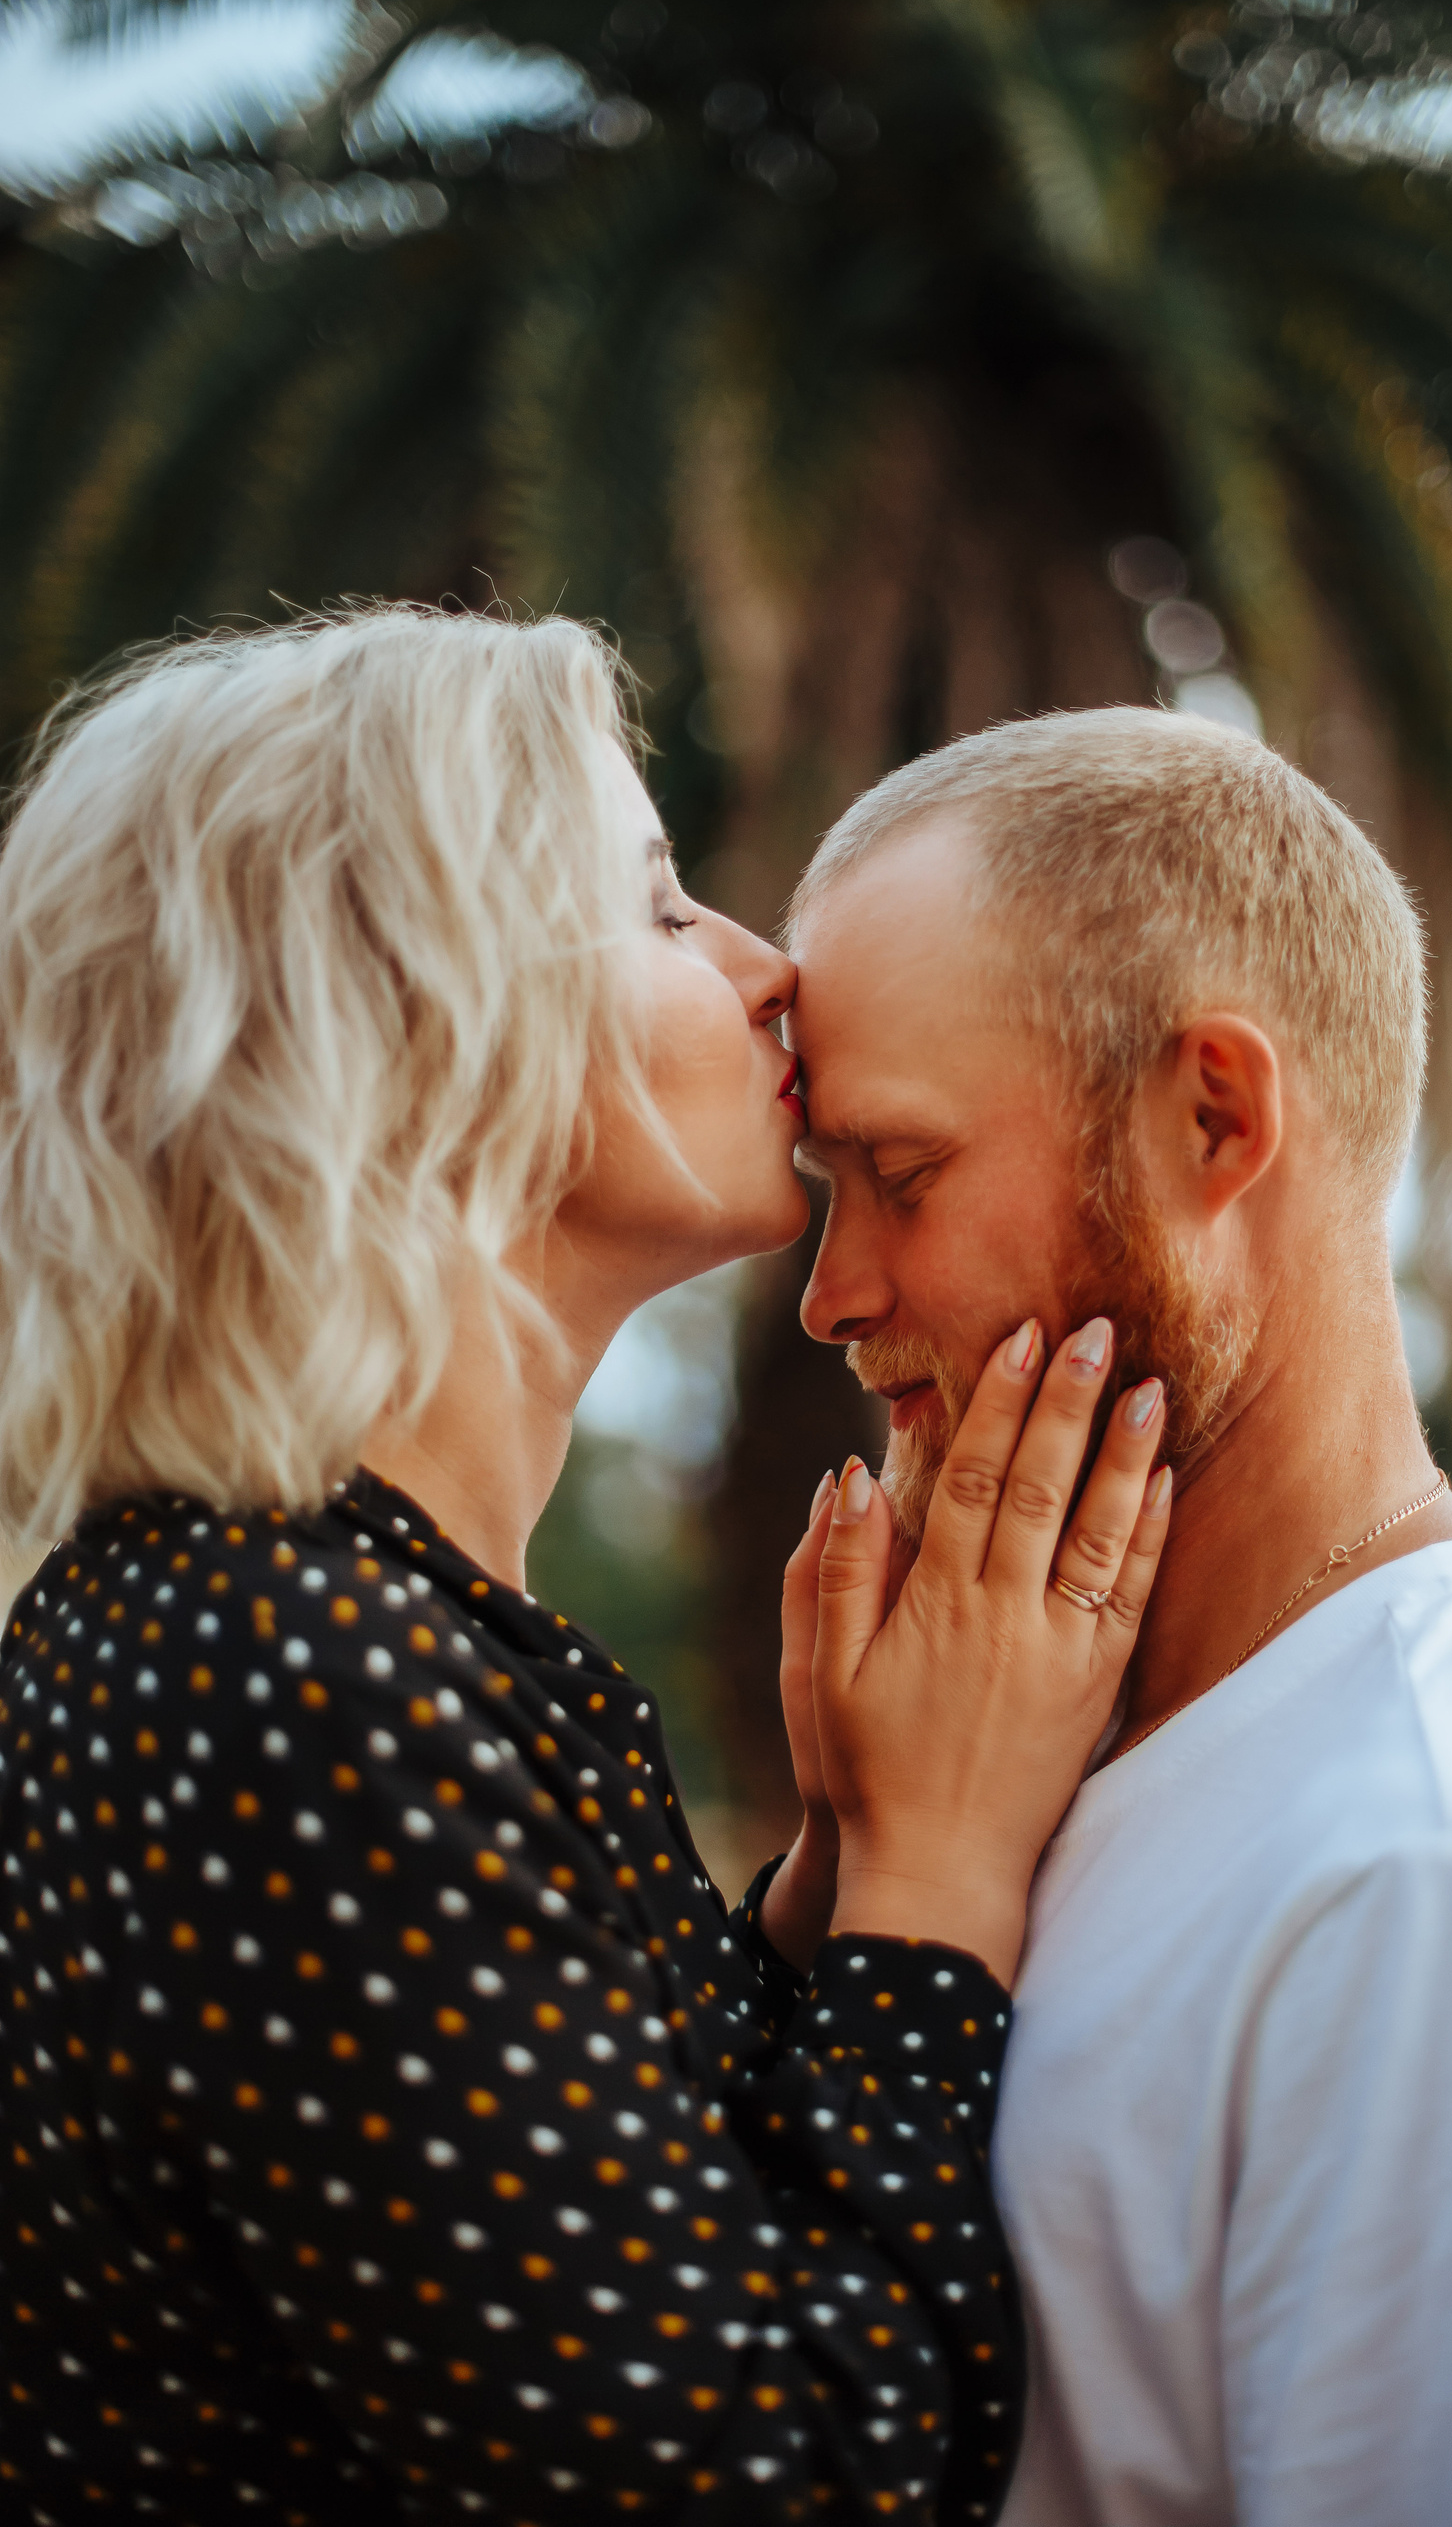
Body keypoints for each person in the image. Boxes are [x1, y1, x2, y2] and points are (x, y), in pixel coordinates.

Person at [0, 610, 1174, 2525]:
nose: (765, 965)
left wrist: (832, 1874)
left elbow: (616, 2216)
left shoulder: (334, 1625)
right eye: (653, 909)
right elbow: (764, 2474)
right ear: (409, 1019)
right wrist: (944, 1877)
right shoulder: (274, 1666)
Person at [784, 704, 1452, 2527]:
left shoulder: (1445, 1867)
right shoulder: (1022, 1751)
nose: (832, 1292)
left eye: (902, 1177)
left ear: (1216, 1116)